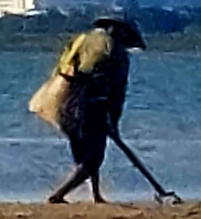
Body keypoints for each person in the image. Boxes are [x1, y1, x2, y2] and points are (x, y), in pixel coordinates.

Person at [40, 17, 146, 204]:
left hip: (64, 100)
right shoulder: (116, 51)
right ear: (116, 30)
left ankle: (95, 194)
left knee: (83, 151)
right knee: (94, 157)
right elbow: (117, 91)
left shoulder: (81, 40)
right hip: (94, 104)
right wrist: (113, 121)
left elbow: (62, 68)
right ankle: (58, 195)